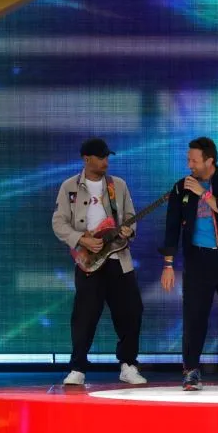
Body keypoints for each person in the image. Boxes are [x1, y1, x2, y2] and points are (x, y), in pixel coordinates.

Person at [52, 138, 146, 386]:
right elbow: (59, 222)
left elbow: (129, 217)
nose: (106, 161)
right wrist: (81, 239)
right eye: (101, 157)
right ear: (87, 159)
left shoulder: (118, 186)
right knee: (84, 315)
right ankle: (78, 368)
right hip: (89, 261)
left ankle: (128, 364)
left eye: (107, 157)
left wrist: (128, 230)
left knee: (130, 312)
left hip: (119, 260)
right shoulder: (69, 187)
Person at [160, 137, 218, 391]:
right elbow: (172, 226)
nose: (190, 165)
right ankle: (191, 369)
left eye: (194, 161)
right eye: (188, 160)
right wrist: (168, 264)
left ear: (209, 160)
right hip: (197, 259)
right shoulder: (181, 188)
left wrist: (204, 193)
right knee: (194, 315)